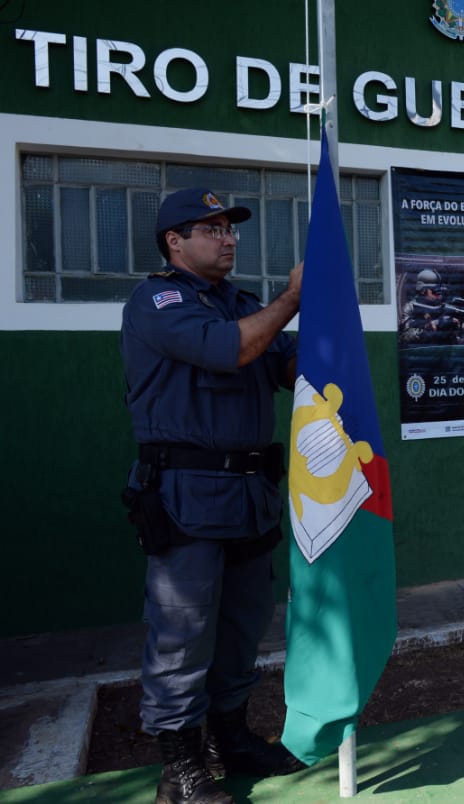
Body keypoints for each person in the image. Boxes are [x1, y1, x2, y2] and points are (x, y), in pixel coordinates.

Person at [120, 188, 306, 803]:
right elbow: (231, 349)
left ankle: (232, 739)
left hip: (250, 492)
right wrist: (292, 300)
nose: (228, 238)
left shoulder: (243, 304)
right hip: (186, 495)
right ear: (175, 242)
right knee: (183, 631)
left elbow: (283, 363)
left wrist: (323, 327)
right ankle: (181, 769)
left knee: (241, 628)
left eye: (230, 228)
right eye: (211, 228)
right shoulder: (159, 300)